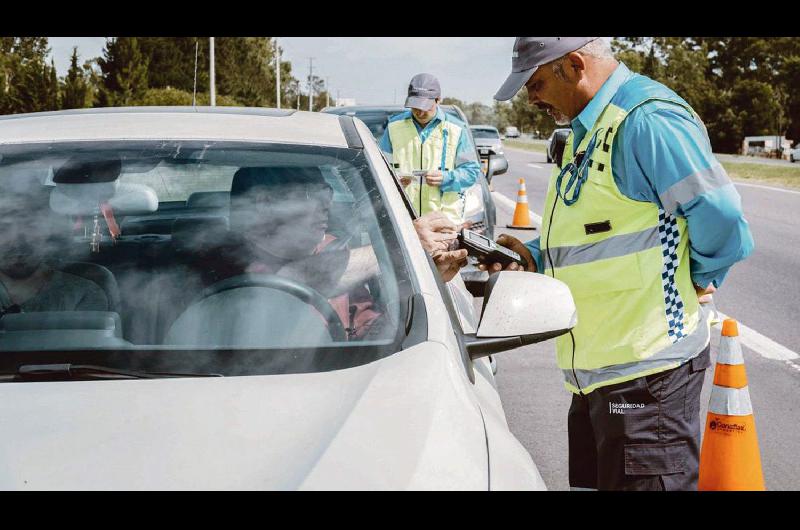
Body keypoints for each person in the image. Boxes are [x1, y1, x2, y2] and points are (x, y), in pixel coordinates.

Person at [487, 37, 754, 490]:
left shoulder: (646, 120)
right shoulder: (588, 127)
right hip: (597, 375)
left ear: (573, 65)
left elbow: (722, 215)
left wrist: (696, 278)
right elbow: (604, 235)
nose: (530, 98)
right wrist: (534, 256)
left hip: (648, 378)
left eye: (535, 83)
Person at [379, 73, 482, 225]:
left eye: (425, 107)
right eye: (415, 107)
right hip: (403, 221)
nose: (419, 112)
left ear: (438, 100)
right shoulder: (394, 127)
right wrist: (394, 180)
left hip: (444, 223)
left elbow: (471, 172)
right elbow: (380, 168)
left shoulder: (457, 129)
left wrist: (446, 178)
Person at [0, 181, 109, 314]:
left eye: (31, 225)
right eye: (4, 227)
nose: (18, 240)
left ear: (48, 230)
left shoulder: (82, 294)